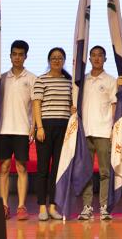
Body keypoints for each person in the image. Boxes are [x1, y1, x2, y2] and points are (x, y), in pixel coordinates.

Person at [32, 46, 75, 221]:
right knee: (43, 169)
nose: (57, 60)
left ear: (64, 61)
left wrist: (73, 109)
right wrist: (39, 127)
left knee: (58, 169)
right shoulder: (41, 80)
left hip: (63, 128)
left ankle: (53, 206)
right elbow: (36, 104)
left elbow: (72, 104)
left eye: (60, 58)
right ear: (49, 61)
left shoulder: (69, 81)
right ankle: (42, 207)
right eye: (53, 58)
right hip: (45, 127)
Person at [79, 45, 119, 221]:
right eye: (93, 55)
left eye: (100, 55)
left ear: (105, 59)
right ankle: (87, 207)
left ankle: (104, 207)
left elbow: (114, 105)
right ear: (89, 59)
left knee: (105, 172)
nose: (96, 58)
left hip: (103, 131)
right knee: (86, 172)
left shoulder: (110, 80)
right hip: (85, 132)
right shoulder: (82, 80)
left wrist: (113, 129)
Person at [0, 39, 36, 220]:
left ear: (25, 57)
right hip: (3, 130)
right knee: (4, 167)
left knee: (21, 167)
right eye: (14, 54)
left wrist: (33, 127)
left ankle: (21, 206)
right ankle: (4, 205)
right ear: (10, 56)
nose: (17, 57)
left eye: (21, 54)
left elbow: (35, 105)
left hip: (22, 129)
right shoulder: (1, 78)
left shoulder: (32, 78)